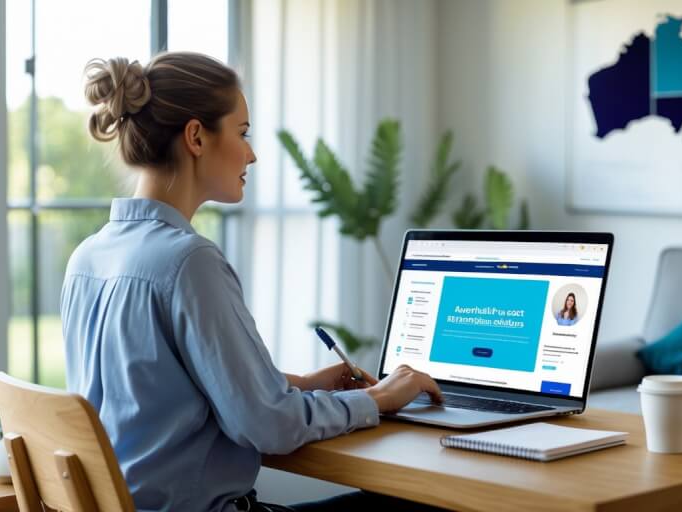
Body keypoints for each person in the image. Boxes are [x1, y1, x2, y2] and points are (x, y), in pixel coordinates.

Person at [60, 52, 446, 512]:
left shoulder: (88, 258)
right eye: (242, 133)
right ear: (196, 137)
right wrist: (378, 398)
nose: (252, 153)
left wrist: (300, 383)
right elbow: (269, 427)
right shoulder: (188, 261)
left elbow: (157, 390)